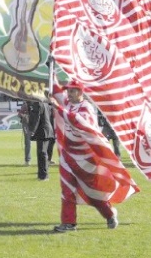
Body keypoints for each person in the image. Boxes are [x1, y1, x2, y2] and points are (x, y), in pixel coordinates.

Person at [51, 82, 120, 232]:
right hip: (68, 155)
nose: (69, 93)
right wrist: (50, 70)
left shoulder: (86, 107)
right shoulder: (67, 103)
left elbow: (78, 122)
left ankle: (109, 214)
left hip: (86, 158)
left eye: (73, 90)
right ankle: (69, 223)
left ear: (81, 92)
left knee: (93, 192)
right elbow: (56, 91)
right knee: (67, 189)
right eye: (68, 90)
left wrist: (57, 107)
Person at [26, 91, 54, 181]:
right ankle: (43, 174)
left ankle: (43, 175)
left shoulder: (38, 104)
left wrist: (32, 130)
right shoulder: (45, 103)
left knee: (41, 153)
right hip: (47, 130)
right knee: (43, 153)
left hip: (42, 131)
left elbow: (36, 118)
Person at [16, 101, 32, 166]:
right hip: (27, 125)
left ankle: (47, 160)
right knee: (28, 143)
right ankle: (27, 160)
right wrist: (25, 116)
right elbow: (19, 114)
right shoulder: (25, 104)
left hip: (36, 124)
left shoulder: (37, 102)